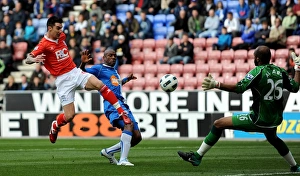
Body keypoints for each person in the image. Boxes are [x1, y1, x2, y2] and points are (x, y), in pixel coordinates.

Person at [177, 46, 300, 173]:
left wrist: (217, 84)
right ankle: (295, 166)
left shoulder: (258, 71)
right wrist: (298, 68)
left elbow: (239, 88)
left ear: (257, 59)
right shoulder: (280, 71)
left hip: (259, 119)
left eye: (254, 57)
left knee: (218, 124)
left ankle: (197, 156)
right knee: (273, 138)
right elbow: (295, 87)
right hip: (275, 119)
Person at [25, 16, 131, 144]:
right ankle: (55, 126)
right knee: (69, 116)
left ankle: (122, 112)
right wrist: (33, 59)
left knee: (100, 84)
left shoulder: (62, 36)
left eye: (61, 28)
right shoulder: (44, 44)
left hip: (74, 72)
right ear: (49, 28)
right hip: (62, 80)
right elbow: (28, 58)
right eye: (58, 28)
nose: (60, 31)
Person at [79, 48, 142, 166]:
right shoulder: (99, 69)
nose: (113, 57)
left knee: (137, 137)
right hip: (112, 105)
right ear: (104, 58)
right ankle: (123, 160)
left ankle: (108, 152)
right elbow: (81, 72)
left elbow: (115, 85)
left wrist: (126, 80)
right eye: (110, 55)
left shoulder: (114, 71)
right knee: (128, 125)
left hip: (123, 104)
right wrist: (83, 63)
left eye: (114, 56)